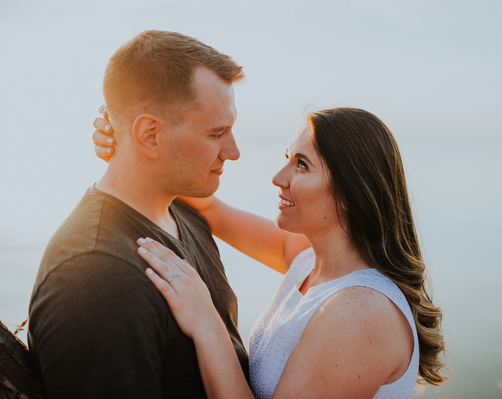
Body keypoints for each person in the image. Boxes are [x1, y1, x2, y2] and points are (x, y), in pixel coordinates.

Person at [94, 107, 448, 398]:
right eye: (288, 159)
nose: (279, 177)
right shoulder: (309, 260)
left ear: (348, 195)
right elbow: (213, 211)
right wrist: (134, 145)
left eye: (302, 165)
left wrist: (206, 322)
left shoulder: (359, 313)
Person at [28, 30, 250, 398]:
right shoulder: (96, 276)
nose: (234, 151)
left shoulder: (186, 215)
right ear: (149, 134)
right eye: (216, 134)